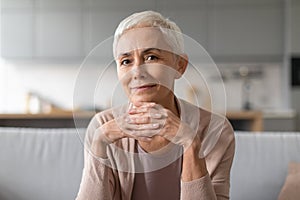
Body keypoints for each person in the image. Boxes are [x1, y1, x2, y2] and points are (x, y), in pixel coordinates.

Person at [76, 10, 235, 200]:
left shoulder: (215, 130)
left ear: (180, 66)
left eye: (151, 57)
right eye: (126, 61)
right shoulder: (102, 126)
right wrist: (100, 141)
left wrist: (191, 143)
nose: (137, 72)